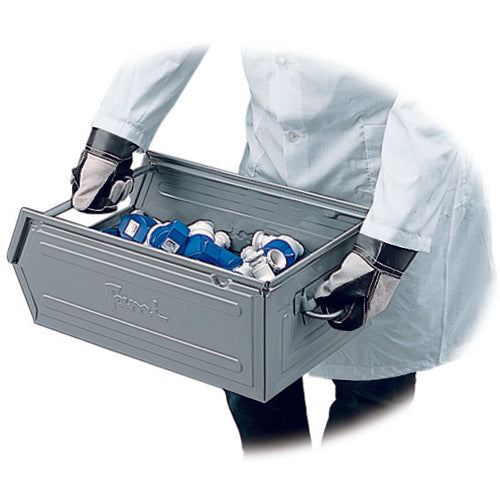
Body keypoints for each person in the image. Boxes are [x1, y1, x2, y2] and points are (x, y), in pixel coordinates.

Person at [71, 44, 493, 452]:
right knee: (252, 375)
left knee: (370, 393)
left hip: (386, 190)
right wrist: (114, 138)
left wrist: (385, 251)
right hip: (271, 176)